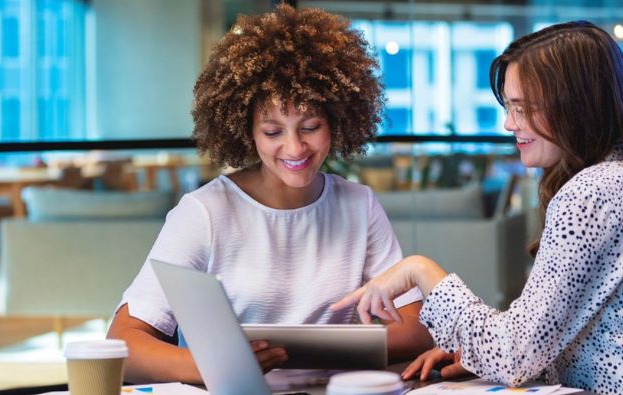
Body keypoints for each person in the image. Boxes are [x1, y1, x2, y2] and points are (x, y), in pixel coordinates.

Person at [107, 4, 432, 385]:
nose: (295, 149)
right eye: (273, 132)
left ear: (337, 121)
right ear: (247, 131)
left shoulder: (358, 205)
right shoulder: (203, 213)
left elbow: (416, 328)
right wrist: (213, 366)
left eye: (310, 126)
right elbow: (123, 345)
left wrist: (305, 349)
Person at [333, 20, 623, 395]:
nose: (508, 123)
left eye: (523, 108)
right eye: (509, 107)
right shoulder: (609, 181)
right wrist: (473, 353)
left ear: (577, 107)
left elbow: (513, 354)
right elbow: (545, 336)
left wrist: (420, 270)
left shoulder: (592, 191)